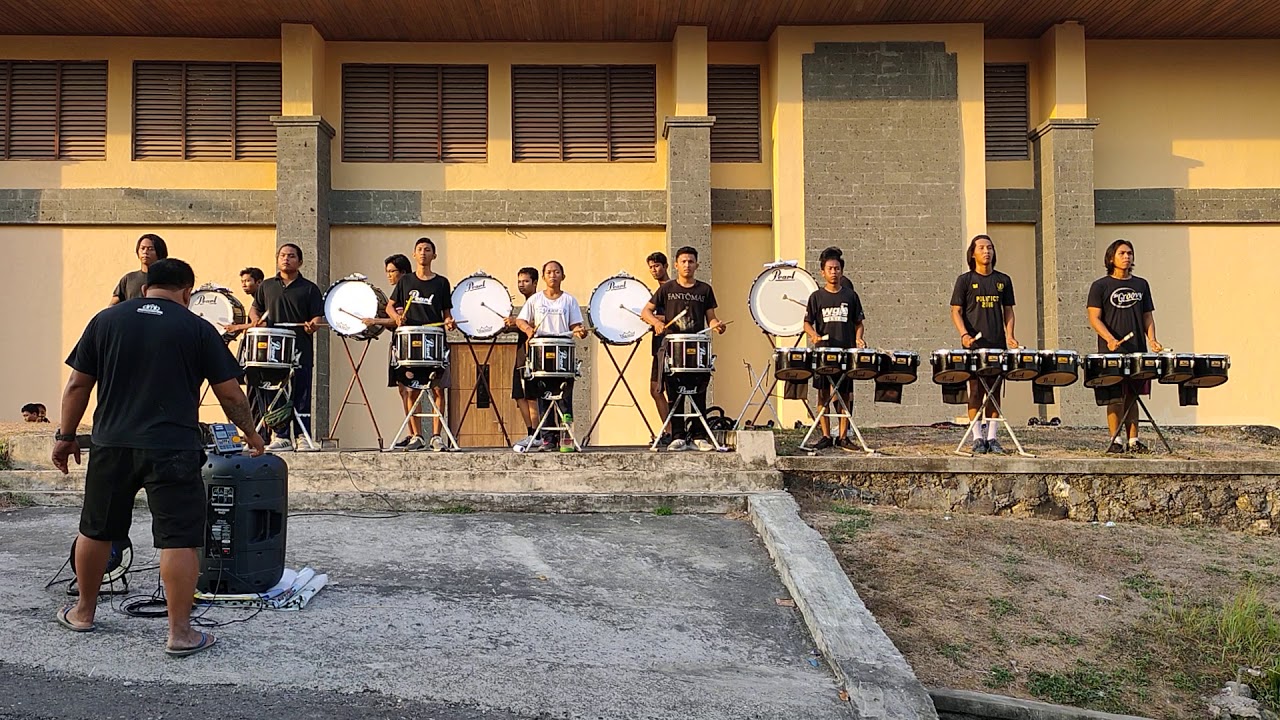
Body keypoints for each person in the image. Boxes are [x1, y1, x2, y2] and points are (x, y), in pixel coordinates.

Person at [52, 257, 265, 657]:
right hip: (173, 447)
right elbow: (232, 394)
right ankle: (180, 634)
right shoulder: (198, 328)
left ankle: (83, 612)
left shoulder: (106, 321)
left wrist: (65, 437)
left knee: (96, 528)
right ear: (187, 290)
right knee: (178, 537)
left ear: (145, 285)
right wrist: (252, 435)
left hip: (112, 444)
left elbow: (78, 384)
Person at [641, 246, 727, 452]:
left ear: (697, 264)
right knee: (674, 391)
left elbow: (711, 317)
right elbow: (646, 312)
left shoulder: (704, 289)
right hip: (673, 347)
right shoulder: (666, 289)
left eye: (691, 261)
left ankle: (699, 436)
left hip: (697, 346)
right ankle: (677, 436)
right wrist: (656, 323)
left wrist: (717, 325)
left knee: (699, 391)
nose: (687, 265)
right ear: (677, 265)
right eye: (683, 262)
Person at [1088, 239, 1163, 454]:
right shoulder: (1100, 286)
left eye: (1130, 253)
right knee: (1115, 396)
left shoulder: (1141, 285)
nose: (1127, 257)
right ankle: (1115, 440)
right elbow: (1094, 318)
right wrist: (1109, 338)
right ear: (1111, 258)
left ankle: (1133, 441)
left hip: (1137, 350)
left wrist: (1152, 339)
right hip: (1111, 352)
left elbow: (1147, 316)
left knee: (1133, 395)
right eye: (1122, 253)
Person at [249, 244, 325, 451]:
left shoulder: (309, 288)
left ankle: (302, 436)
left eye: (291, 256)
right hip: (274, 347)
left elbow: (317, 316)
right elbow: (255, 309)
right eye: (282, 255)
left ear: (299, 262)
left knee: (301, 391)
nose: (286, 259)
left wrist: (313, 325)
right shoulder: (266, 286)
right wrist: (256, 321)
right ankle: (281, 436)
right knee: (275, 391)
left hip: (300, 346)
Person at [950, 234, 1019, 454]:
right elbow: (956, 311)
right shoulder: (965, 281)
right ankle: (977, 437)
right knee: (976, 389)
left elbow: (1008, 310)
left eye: (989, 247)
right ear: (973, 253)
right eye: (981, 248)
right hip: (974, 347)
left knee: (994, 390)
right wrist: (964, 334)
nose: (986, 251)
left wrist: (1010, 335)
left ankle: (992, 436)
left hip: (997, 344)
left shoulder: (1003, 280)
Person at [386, 238, 456, 452]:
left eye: (428, 250)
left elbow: (446, 313)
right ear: (414, 255)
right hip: (409, 339)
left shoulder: (442, 282)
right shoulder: (405, 281)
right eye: (419, 250)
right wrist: (396, 318)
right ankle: (416, 435)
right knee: (410, 390)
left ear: (434, 255)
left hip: (434, 338)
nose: (423, 253)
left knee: (437, 389)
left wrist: (449, 322)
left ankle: (436, 435)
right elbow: (390, 306)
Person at [514, 260, 588, 453]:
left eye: (556, 272)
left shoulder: (569, 300)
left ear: (563, 276)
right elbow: (520, 320)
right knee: (544, 396)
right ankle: (548, 439)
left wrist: (579, 330)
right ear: (544, 277)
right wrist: (529, 329)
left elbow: (575, 326)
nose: (553, 275)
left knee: (563, 396)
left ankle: (566, 438)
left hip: (563, 350)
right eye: (549, 272)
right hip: (541, 351)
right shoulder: (535, 300)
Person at [802, 248, 866, 451]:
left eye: (837, 268)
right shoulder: (816, 297)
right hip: (823, 352)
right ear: (823, 272)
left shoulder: (851, 296)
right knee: (823, 393)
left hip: (845, 352)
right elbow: (807, 323)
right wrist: (813, 335)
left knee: (844, 393)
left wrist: (858, 338)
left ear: (842, 271)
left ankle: (843, 436)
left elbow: (859, 323)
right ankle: (826, 435)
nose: (834, 272)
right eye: (830, 269)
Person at [508, 267, 540, 443]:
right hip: (520, 353)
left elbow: (540, 323)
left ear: (535, 283)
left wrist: (519, 322)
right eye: (519, 281)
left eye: (526, 281)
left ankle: (538, 433)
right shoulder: (522, 306)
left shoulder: (540, 302)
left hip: (535, 354)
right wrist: (508, 325)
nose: (522, 285)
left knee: (532, 396)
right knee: (519, 395)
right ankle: (530, 433)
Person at [645, 252, 672, 445]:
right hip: (658, 347)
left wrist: (657, 319)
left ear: (666, 266)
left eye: (657, 266)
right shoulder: (657, 291)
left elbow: (678, 316)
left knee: (668, 390)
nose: (654, 270)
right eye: (651, 267)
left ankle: (672, 431)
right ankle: (669, 429)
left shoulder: (671, 288)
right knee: (656, 390)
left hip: (672, 346)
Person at [109, 234, 168, 306]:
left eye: (150, 249)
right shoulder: (128, 279)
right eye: (142, 248)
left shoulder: (167, 279)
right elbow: (113, 304)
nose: (145, 252)